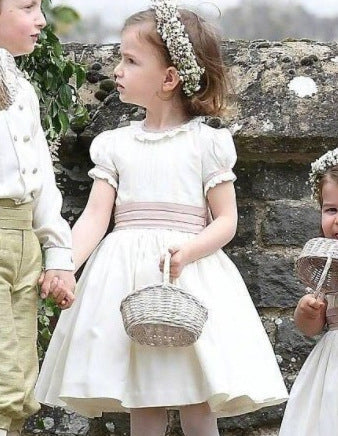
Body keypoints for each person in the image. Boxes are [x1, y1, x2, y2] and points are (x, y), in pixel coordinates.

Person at [35, 1, 288, 435]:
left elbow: (226, 220)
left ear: (169, 78)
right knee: (142, 395)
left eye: (130, 60)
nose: (117, 69)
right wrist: (64, 266)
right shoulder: (115, 145)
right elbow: (96, 218)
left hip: (186, 275)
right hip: (126, 279)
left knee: (196, 393)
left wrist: (188, 251)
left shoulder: (207, 145)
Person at [0, 1, 76, 435]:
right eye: (27, 7)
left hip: (24, 241)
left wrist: (58, 254)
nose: (41, 20)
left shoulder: (21, 86)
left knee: (23, 389)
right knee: (4, 385)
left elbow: (42, 181)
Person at [279, 148, 338, 436]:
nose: (337, 219)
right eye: (331, 210)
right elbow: (313, 328)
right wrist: (307, 312)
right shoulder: (326, 265)